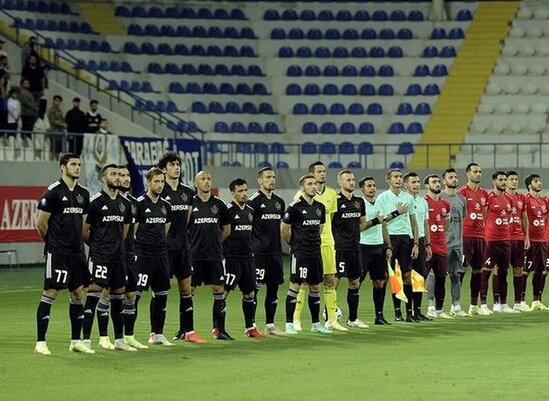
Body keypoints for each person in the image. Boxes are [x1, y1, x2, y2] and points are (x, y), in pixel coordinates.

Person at [34, 153, 93, 355]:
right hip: (58, 252)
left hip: (77, 252)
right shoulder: (53, 192)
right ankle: (40, 343)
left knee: (77, 293)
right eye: (73, 164)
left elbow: (84, 223)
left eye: (79, 164)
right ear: (63, 167)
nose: (77, 168)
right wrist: (52, 244)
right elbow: (41, 224)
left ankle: (76, 341)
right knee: (51, 292)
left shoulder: (83, 194)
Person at [82, 164, 135, 351]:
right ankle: (86, 340)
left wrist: (114, 247)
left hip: (118, 257)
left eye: (119, 175)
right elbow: (84, 231)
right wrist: (98, 247)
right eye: (113, 174)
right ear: (104, 178)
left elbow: (125, 232)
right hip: (100, 256)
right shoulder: (95, 202)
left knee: (118, 297)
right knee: (94, 295)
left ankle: (119, 340)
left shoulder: (126, 204)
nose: (118, 178)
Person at [157, 152, 206, 344]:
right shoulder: (160, 190)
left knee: (186, 290)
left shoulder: (187, 192)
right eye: (172, 165)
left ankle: (188, 330)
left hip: (184, 248)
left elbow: (186, 220)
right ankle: (156, 332)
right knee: (161, 290)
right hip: (165, 249)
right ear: (164, 169)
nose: (176, 167)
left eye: (178, 164)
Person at [293, 161, 347, 332]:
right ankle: (296, 319)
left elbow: (329, 222)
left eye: (324, 171)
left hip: (328, 243)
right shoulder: (301, 196)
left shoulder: (331, 194)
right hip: (309, 245)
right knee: (303, 282)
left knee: (330, 281)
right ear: (311, 175)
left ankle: (331, 320)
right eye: (319, 172)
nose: (323, 174)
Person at [282, 174, 331, 335]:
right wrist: (294, 245)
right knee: (295, 285)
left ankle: (315, 324)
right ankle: (289, 323)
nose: (313, 186)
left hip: (315, 252)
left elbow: (320, 228)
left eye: (315, 184)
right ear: (302, 187)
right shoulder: (294, 207)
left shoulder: (320, 207)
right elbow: (284, 230)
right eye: (309, 184)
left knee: (316, 286)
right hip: (300, 253)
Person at [187, 171, 232, 340]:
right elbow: (184, 227)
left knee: (219, 289)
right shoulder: (190, 204)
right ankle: (186, 329)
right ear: (195, 183)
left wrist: (216, 243)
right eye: (202, 179)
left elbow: (226, 229)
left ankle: (219, 330)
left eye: (208, 179)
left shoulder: (219, 205)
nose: (206, 182)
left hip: (214, 255)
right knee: (189, 290)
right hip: (195, 255)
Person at [135, 167, 173, 346]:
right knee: (135, 296)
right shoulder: (139, 204)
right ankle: (129, 335)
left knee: (161, 294)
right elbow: (133, 233)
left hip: (161, 256)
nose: (159, 185)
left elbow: (165, 230)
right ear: (148, 182)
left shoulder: (166, 206)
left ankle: (157, 334)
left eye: (162, 181)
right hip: (143, 257)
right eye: (156, 181)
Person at [375, 169, 419, 322]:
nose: (399, 179)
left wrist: (416, 243)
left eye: (400, 177)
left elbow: (414, 222)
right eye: (396, 177)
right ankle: (394, 312)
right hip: (390, 239)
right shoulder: (382, 198)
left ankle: (409, 313)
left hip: (406, 239)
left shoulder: (408, 197)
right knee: (389, 277)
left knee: (407, 276)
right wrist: (397, 212)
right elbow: (381, 220)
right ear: (389, 180)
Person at [223, 178, 265, 338]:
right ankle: (218, 328)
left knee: (250, 294)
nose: (244, 193)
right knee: (223, 293)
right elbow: (223, 233)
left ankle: (250, 328)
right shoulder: (227, 210)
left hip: (248, 258)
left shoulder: (250, 210)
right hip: (232, 259)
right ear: (233, 193)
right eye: (240, 191)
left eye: (245, 190)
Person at [247, 167, 286, 336]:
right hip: (258, 253)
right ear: (260, 181)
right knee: (254, 289)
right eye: (268, 177)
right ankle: (251, 325)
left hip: (275, 253)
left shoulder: (279, 202)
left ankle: (270, 325)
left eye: (274, 177)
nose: (272, 180)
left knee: (273, 289)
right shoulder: (253, 201)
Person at [332, 170, 369, 328]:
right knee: (334, 282)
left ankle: (352, 319)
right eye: (348, 180)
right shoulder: (335, 200)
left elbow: (362, 223)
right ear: (340, 183)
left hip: (355, 248)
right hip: (339, 248)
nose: (352, 182)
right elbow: (329, 223)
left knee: (355, 283)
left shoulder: (359, 202)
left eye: (353, 179)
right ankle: (330, 317)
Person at [118, 165, 148, 348]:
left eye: (127, 175)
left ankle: (129, 336)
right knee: (109, 295)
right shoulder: (105, 201)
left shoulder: (135, 203)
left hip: (130, 255)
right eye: (121, 175)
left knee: (131, 295)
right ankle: (108, 337)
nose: (126, 178)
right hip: (111, 255)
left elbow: (133, 232)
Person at [359, 176, 396, 325]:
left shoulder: (379, 203)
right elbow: (360, 227)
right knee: (356, 282)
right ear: (362, 189)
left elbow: (383, 225)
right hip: (363, 246)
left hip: (378, 247)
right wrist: (376, 221)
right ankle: (352, 317)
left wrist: (388, 245)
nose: (372, 188)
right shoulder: (360, 204)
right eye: (369, 186)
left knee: (380, 282)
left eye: (374, 185)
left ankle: (379, 316)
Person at [479, 171, 513, 315]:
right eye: (501, 180)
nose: (504, 182)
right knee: (486, 272)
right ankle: (483, 305)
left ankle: (502, 304)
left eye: (505, 180)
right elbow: (483, 218)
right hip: (491, 241)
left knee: (503, 273)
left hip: (505, 241)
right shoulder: (489, 198)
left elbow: (508, 217)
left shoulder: (508, 199)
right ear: (494, 181)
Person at [437, 168, 469, 317]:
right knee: (438, 276)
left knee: (456, 275)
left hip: (457, 244)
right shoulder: (439, 198)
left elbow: (461, 220)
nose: (454, 179)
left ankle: (456, 307)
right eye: (450, 177)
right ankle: (435, 307)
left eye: (455, 177)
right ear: (444, 181)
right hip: (442, 244)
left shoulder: (462, 199)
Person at [458, 163, 488, 315]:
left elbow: (485, 214)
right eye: (475, 171)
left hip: (480, 237)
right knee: (461, 270)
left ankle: (473, 306)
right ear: (468, 174)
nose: (478, 174)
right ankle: (455, 305)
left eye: (480, 171)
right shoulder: (461, 193)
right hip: (466, 236)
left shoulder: (484, 194)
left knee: (478, 271)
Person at [403, 172, 432, 321]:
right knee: (404, 276)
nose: (416, 184)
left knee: (419, 277)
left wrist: (428, 244)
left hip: (420, 240)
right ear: (406, 185)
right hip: (406, 240)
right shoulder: (403, 200)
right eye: (413, 182)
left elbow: (425, 224)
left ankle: (418, 311)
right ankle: (402, 312)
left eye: (418, 181)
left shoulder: (423, 202)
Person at [423, 175, 452, 318]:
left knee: (441, 278)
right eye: (434, 182)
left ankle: (440, 310)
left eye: (438, 182)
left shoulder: (445, 204)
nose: (437, 184)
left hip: (441, 247)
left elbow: (446, 224)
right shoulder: (423, 202)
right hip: (427, 247)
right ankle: (428, 307)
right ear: (427, 186)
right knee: (423, 277)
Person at [504, 171, 529, 312]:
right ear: (505, 182)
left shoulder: (521, 198)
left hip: (518, 238)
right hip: (504, 239)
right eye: (512, 179)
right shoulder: (502, 197)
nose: (514, 181)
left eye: (516, 179)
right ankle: (500, 302)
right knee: (500, 270)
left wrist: (526, 237)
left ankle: (518, 302)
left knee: (518, 270)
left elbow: (524, 219)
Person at [523, 174, 548, 310]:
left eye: (539, 181)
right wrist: (525, 237)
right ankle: (520, 300)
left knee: (540, 270)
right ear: (529, 185)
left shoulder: (544, 201)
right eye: (535, 181)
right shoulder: (525, 200)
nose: (539, 183)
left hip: (543, 240)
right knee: (526, 270)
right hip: (531, 241)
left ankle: (536, 301)